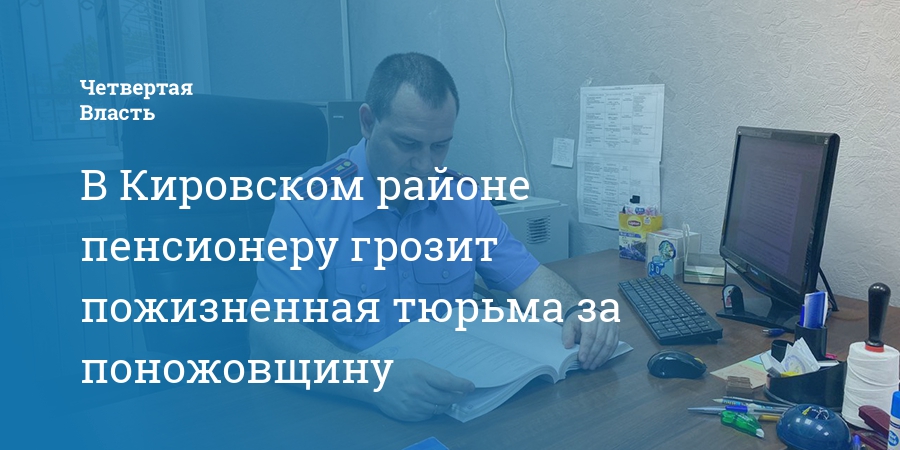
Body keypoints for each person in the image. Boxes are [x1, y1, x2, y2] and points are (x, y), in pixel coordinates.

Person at [250, 52, 619, 421]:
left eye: (439, 146)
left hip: (460, 401)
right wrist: (374, 382)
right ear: (367, 122)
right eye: (408, 144)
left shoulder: (462, 199)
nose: (426, 167)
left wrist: (576, 310)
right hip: (354, 406)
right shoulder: (309, 204)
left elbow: (527, 278)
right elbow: (268, 335)